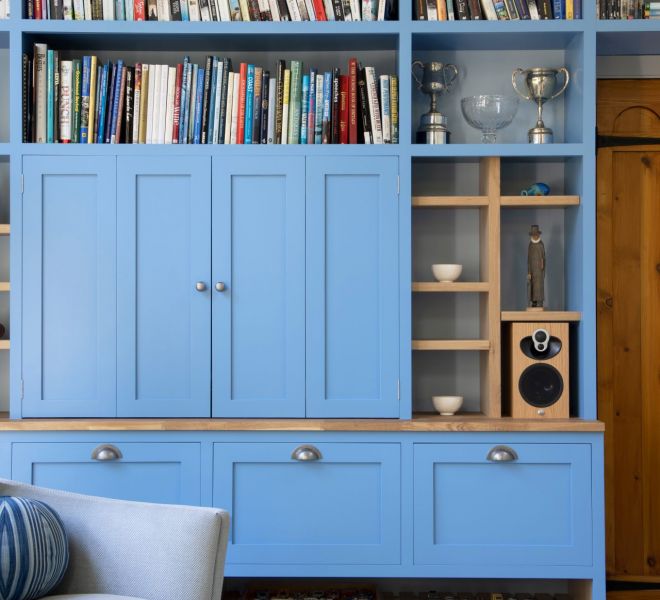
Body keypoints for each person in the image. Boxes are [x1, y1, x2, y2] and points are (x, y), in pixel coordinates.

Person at [527, 224, 545, 310]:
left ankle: (539, 301)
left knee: (539, 285)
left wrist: (542, 265)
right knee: (532, 285)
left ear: (538, 234)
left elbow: (543, 257)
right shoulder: (530, 245)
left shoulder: (541, 245)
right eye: (533, 235)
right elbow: (528, 259)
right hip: (532, 269)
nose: (534, 236)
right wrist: (529, 272)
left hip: (539, 269)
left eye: (536, 234)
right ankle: (533, 301)